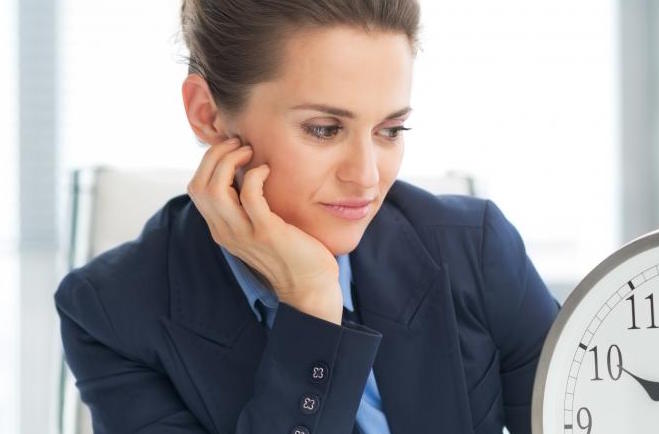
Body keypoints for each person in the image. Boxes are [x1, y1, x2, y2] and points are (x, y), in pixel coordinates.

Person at [53, 1, 561, 433]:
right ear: (207, 113)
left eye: (391, 130)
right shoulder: (111, 312)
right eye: (324, 129)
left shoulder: (478, 250)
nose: (366, 177)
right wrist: (314, 307)